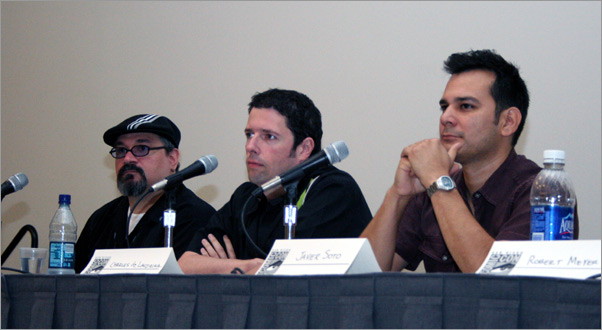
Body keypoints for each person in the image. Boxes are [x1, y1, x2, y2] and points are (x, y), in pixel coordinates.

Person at [361, 49, 579, 273]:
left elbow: (499, 281)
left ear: (508, 122)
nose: (446, 118)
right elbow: (359, 279)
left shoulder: (538, 192)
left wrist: (438, 181)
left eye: (465, 106)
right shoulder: (433, 188)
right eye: (444, 107)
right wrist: (398, 194)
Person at [178, 88, 372, 274]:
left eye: (269, 136)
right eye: (249, 135)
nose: (250, 146)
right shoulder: (247, 196)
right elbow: (185, 264)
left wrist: (225, 267)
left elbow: (286, 273)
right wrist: (247, 266)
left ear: (304, 148)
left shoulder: (332, 189)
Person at [75, 114, 216, 273]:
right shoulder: (102, 219)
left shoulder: (196, 217)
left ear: (172, 158)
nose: (128, 159)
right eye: (121, 150)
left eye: (141, 148)